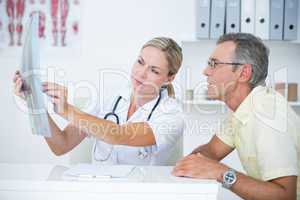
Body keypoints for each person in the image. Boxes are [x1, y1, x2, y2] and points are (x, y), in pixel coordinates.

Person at [14, 37, 184, 165]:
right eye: (140, 62)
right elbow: (61, 145)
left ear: (170, 78)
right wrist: (35, 104)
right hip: (97, 190)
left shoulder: (172, 114)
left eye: (154, 70)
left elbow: (119, 135)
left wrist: (67, 110)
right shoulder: (110, 96)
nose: (141, 73)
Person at [172, 33, 300, 200]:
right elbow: (210, 152)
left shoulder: (268, 115)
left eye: (214, 64)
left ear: (243, 73)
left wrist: (221, 172)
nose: (205, 71)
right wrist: (193, 163)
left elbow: (285, 196)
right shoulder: (242, 110)